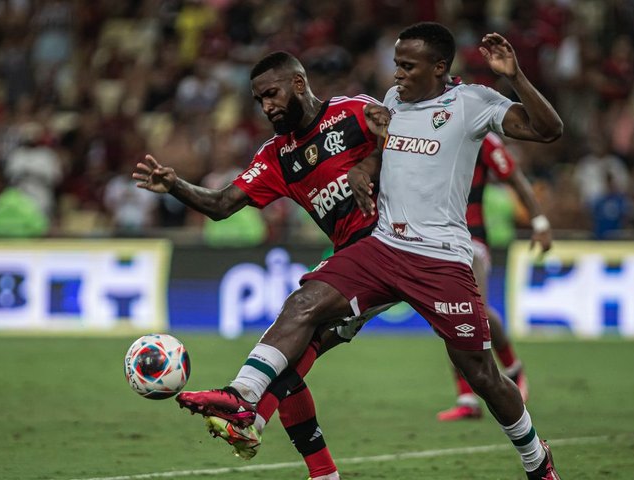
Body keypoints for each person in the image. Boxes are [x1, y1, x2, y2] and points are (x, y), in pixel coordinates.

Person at [176, 22, 563, 479]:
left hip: (441, 256)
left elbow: (548, 129)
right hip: (381, 245)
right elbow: (387, 147)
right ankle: (243, 398)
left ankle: (537, 460)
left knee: (481, 375)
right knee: (304, 305)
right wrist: (367, 164)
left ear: (439, 67)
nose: (396, 74)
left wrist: (514, 76)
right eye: (396, 63)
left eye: (407, 65)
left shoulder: (472, 103)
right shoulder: (392, 103)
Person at [133, 50, 387, 480]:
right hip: (352, 262)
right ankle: (309, 463)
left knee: (295, 328)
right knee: (287, 355)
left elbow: (402, 134)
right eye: (259, 100)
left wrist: (370, 161)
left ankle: (250, 412)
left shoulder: (353, 113)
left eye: (271, 94)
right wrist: (175, 185)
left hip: (394, 246)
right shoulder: (277, 156)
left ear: (299, 85)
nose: (266, 106)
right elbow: (220, 205)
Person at [438, 132, 552, 421]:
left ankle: (513, 370)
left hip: (472, 237)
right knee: (451, 314)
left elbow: (514, 177)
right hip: (436, 237)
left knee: (472, 312)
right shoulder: (428, 129)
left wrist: (539, 222)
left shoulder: (480, 138)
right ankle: (467, 398)